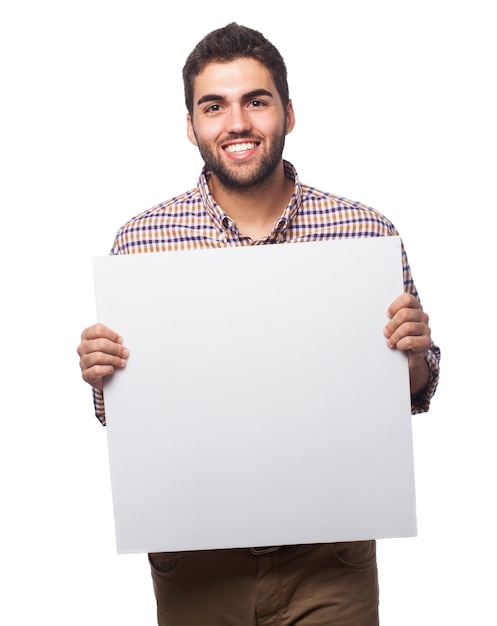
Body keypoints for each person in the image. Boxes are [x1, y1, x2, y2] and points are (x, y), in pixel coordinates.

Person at [77, 22, 440, 626]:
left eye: (257, 101)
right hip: (196, 560)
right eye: (214, 106)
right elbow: (126, 419)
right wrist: (102, 377)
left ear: (289, 113)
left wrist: (411, 360)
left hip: (331, 558)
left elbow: (409, 393)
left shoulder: (366, 232)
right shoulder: (139, 243)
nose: (237, 123)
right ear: (190, 125)